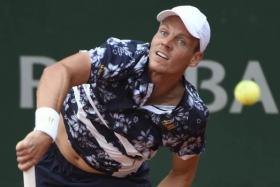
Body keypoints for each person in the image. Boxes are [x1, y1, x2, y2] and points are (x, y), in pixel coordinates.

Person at [16, 5, 211, 187]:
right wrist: (44, 130)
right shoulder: (123, 55)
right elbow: (59, 71)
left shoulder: (190, 116)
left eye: (181, 41)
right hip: (52, 167)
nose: (166, 43)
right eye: (163, 32)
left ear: (195, 58)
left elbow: (182, 173)